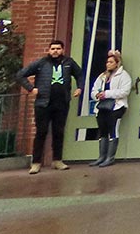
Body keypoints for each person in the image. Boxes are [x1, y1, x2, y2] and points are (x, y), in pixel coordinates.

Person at [16, 40, 84, 174]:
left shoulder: (68, 62)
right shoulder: (41, 63)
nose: (55, 51)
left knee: (58, 132)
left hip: (61, 103)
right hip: (43, 103)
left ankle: (57, 160)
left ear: (63, 50)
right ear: (48, 50)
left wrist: (80, 88)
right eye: (53, 48)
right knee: (41, 132)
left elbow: (80, 74)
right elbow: (20, 75)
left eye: (58, 48)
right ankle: (36, 163)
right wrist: (30, 88)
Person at [89, 49, 133, 168]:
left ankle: (110, 157)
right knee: (102, 131)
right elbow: (94, 90)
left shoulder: (124, 76)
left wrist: (107, 94)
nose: (108, 64)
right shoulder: (103, 76)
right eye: (107, 62)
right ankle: (101, 157)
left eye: (111, 62)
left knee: (113, 130)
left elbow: (124, 91)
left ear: (117, 63)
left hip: (116, 107)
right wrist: (96, 95)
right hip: (102, 107)